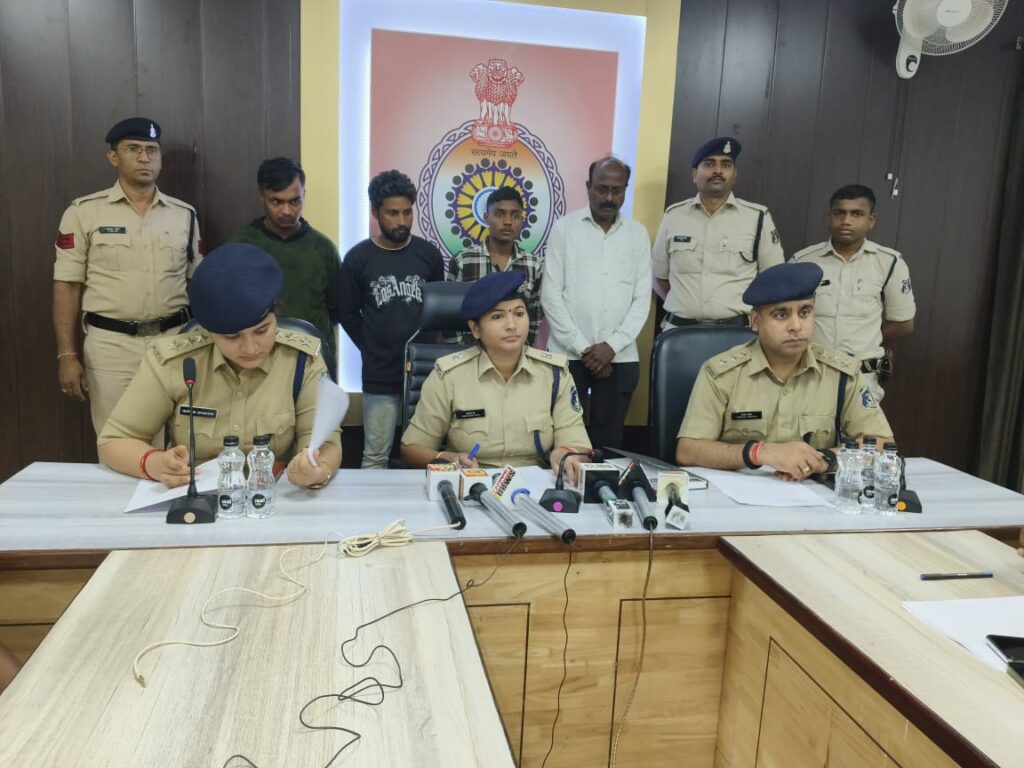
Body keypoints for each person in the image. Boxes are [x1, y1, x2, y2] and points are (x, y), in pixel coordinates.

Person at [97, 244, 341, 490]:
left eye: (262, 330)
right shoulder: (174, 361)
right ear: (209, 331)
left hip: (272, 497)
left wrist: (317, 470)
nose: (250, 348)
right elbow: (114, 440)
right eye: (232, 337)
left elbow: (326, 443)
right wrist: (156, 464)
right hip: (193, 498)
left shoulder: (301, 360)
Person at [676, 262, 893, 481]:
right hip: (738, 493)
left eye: (805, 312)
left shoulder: (841, 374)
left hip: (813, 494)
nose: (796, 326)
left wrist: (823, 460)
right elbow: (688, 451)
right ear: (755, 321)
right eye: (781, 315)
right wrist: (759, 453)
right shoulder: (721, 373)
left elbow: (883, 444)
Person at [53, 117, 202, 435]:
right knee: (117, 439)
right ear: (113, 157)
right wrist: (67, 355)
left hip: (173, 342)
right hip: (111, 348)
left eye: (152, 150)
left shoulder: (184, 215)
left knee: (177, 441)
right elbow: (67, 286)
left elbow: (198, 284)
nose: (145, 158)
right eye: (133, 149)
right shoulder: (84, 213)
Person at [400, 271, 591, 482]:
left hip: (537, 487)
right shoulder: (449, 376)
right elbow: (412, 449)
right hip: (472, 485)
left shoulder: (555, 374)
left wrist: (565, 453)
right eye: (497, 316)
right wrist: (449, 458)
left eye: (519, 314)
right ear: (475, 329)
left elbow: (579, 445)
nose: (512, 325)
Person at [541, 156, 651, 450]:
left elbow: (642, 299)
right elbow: (550, 295)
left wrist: (611, 347)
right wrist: (585, 349)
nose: (609, 198)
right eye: (602, 189)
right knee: (563, 439)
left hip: (620, 357)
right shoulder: (564, 229)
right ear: (588, 186)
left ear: (625, 190)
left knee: (609, 444)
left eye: (617, 190)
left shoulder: (638, 234)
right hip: (568, 354)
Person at [338, 170, 446, 469]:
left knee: (427, 455)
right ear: (375, 212)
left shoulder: (428, 255)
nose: (402, 221)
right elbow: (347, 312)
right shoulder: (358, 258)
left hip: (425, 373)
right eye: (393, 213)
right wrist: (371, 344)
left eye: (407, 212)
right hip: (380, 373)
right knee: (375, 457)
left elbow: (439, 312)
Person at [792, 184, 915, 400]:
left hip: (862, 378)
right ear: (829, 218)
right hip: (809, 373)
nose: (846, 221)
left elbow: (904, 324)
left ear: (871, 220)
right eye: (839, 213)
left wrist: (869, 340)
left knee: (865, 424)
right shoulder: (802, 261)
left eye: (856, 214)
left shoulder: (889, 263)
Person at [652, 136, 784, 329]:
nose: (718, 171)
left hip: (736, 332)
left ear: (735, 174)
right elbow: (658, 276)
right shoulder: (673, 216)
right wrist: (685, 306)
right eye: (709, 164)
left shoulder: (758, 218)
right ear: (695, 174)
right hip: (680, 331)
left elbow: (774, 278)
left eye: (726, 165)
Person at [228, 157, 341, 381]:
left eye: (295, 201)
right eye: (277, 202)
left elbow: (337, 310)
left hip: (314, 362)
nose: (287, 211)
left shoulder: (323, 249)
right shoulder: (239, 247)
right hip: (256, 364)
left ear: (304, 194)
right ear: (262, 196)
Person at [447, 186, 544, 345]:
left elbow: (534, 318)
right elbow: (450, 317)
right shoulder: (463, 261)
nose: (507, 222)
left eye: (515, 216)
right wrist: (461, 353)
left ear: (522, 220)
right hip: (471, 354)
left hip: (516, 354)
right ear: (486, 217)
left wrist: (522, 351)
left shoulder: (533, 265)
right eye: (499, 214)